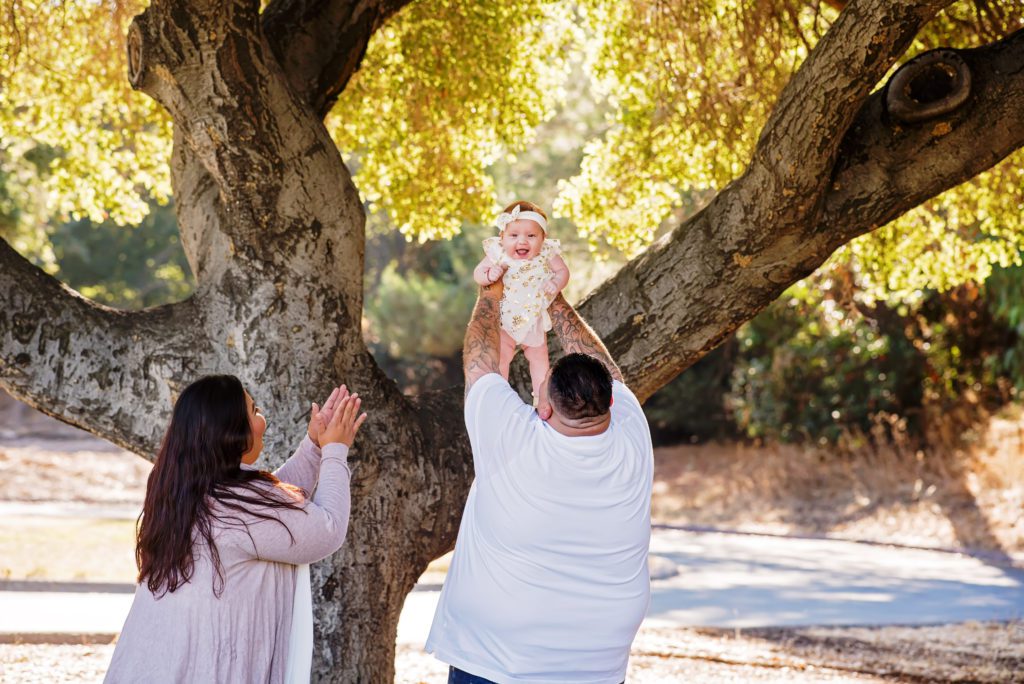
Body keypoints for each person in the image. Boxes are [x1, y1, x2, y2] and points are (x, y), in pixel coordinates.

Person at [426, 281, 654, 684]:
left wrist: (491, 296)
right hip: (597, 667)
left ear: (545, 406)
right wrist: (556, 301)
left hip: (499, 663)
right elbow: (604, 368)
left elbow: (478, 362)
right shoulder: (632, 433)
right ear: (612, 401)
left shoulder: (512, 440)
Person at [105, 375, 366, 683]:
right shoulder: (240, 507)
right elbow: (326, 530)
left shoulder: (184, 492)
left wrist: (313, 448)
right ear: (230, 432)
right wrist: (335, 449)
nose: (262, 419)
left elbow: (271, 511)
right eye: (254, 411)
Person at [472, 200, 570, 401]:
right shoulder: (498, 253)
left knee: (539, 358)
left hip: (532, 317)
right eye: (514, 235)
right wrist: (490, 275)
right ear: (502, 237)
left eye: (531, 236)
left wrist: (556, 282)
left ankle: (542, 398)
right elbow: (478, 273)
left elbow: (563, 271)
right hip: (504, 319)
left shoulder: (546, 254)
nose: (522, 241)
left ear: (543, 238)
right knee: (501, 357)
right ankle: (497, 397)